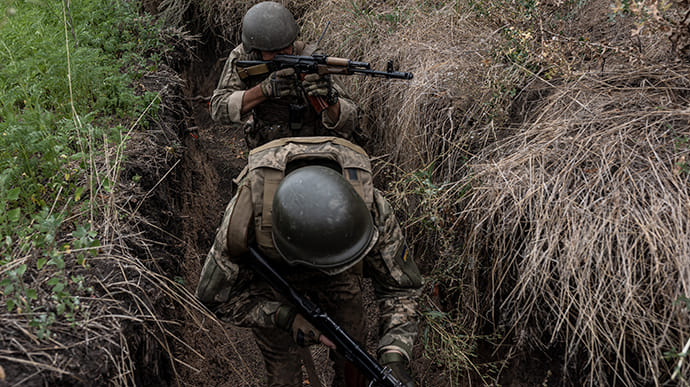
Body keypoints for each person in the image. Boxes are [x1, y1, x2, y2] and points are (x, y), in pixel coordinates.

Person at [195, 136, 421, 387]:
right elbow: (213, 298)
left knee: (353, 352)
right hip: (272, 279)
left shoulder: (370, 208)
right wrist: (283, 317)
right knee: (282, 375)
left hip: (340, 276)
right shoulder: (246, 217)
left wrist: (395, 356)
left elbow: (401, 287)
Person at [210, 1, 363, 150]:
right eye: (273, 52)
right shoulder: (243, 59)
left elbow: (353, 121)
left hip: (318, 143)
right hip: (268, 146)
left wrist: (330, 98)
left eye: (286, 48)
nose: (282, 55)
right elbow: (218, 109)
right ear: (255, 50)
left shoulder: (311, 58)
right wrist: (263, 90)